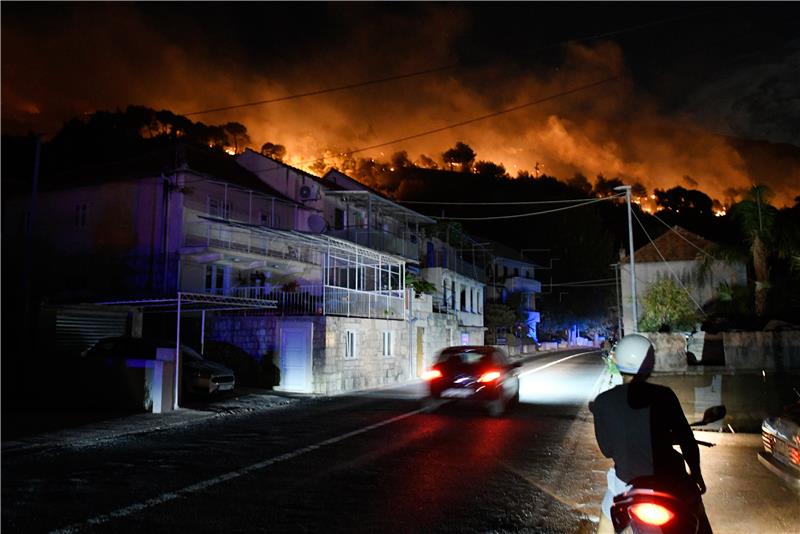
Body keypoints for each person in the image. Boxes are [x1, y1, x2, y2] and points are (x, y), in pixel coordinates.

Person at [590, 333, 712, 534]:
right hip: (671, 480)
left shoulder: (603, 401)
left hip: (627, 483)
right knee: (698, 516)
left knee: (607, 516)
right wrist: (696, 474)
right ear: (650, 363)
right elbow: (686, 439)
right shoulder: (665, 395)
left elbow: (607, 450)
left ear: (618, 361)